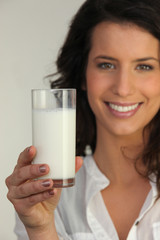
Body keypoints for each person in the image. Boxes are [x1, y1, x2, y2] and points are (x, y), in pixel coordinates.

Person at [5, 0, 160, 239]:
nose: (123, 88)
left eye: (144, 67)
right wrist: (41, 229)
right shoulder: (48, 194)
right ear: (83, 76)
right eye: (106, 65)